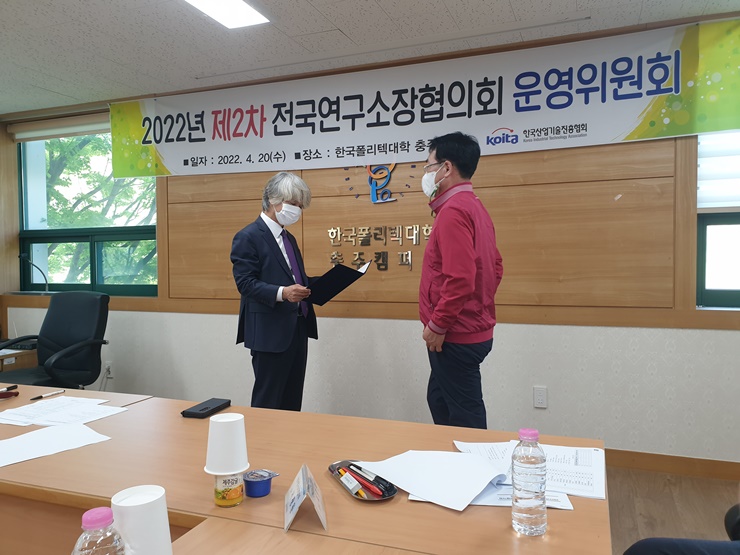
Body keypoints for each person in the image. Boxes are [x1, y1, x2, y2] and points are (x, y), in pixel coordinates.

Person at [419, 131, 504, 429]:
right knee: (439, 399)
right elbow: (495, 267)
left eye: (429, 166)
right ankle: (450, 455)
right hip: (470, 328)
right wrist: (476, 306)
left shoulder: (453, 211)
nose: (426, 174)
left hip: (454, 334)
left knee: (465, 416)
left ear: (446, 168)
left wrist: (438, 324)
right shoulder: (474, 206)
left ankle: (474, 458)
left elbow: (461, 279)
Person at [231, 172, 318, 411]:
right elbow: (245, 283)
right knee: (268, 402)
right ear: (272, 199)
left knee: (292, 401)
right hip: (269, 333)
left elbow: (295, 280)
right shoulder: (248, 237)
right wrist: (283, 293)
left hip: (297, 329)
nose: (297, 210)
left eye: (300, 206)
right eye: (293, 203)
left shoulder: (289, 238)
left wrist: (328, 282)